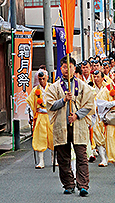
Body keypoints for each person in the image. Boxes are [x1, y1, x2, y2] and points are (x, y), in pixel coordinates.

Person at [46, 56, 95, 197]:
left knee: (82, 156)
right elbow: (50, 105)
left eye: (70, 66)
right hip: (61, 126)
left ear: (75, 68)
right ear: (61, 69)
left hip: (78, 125)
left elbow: (89, 105)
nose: (67, 69)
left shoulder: (83, 86)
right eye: (64, 67)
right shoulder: (54, 87)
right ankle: (68, 184)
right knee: (63, 158)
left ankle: (83, 185)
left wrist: (77, 115)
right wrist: (63, 100)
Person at [26, 70, 53, 169]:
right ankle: (41, 161)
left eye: (43, 79)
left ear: (47, 78)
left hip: (50, 115)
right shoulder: (35, 90)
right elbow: (30, 102)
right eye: (40, 79)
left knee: (53, 137)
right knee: (39, 138)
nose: (42, 81)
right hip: (40, 115)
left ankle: (54, 158)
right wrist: (30, 116)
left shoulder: (52, 88)